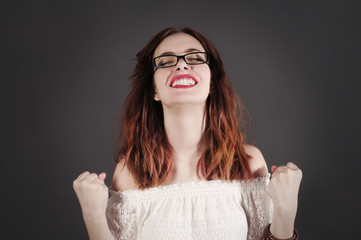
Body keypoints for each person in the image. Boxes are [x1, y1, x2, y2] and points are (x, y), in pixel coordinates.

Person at [73, 27, 302, 240]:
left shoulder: (249, 162)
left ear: (211, 82)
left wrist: (286, 210)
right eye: (165, 61)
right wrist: (93, 218)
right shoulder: (129, 171)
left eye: (194, 58)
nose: (181, 66)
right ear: (154, 89)